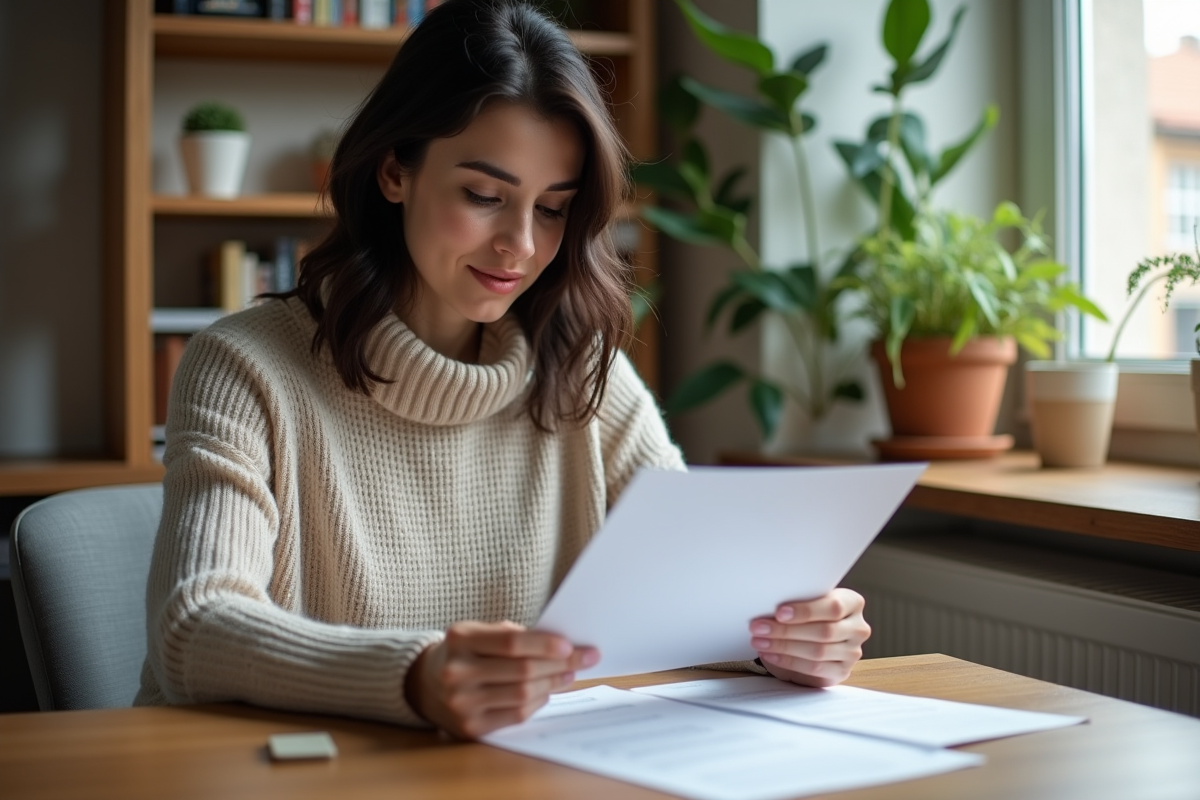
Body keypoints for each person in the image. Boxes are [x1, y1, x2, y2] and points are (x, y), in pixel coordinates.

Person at [136, 0, 870, 740]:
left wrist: (786, 638)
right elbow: (194, 627)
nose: (519, 244)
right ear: (395, 170)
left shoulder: (584, 373)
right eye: (485, 196)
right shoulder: (245, 365)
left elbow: (700, 590)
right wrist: (414, 677)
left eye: (552, 209)